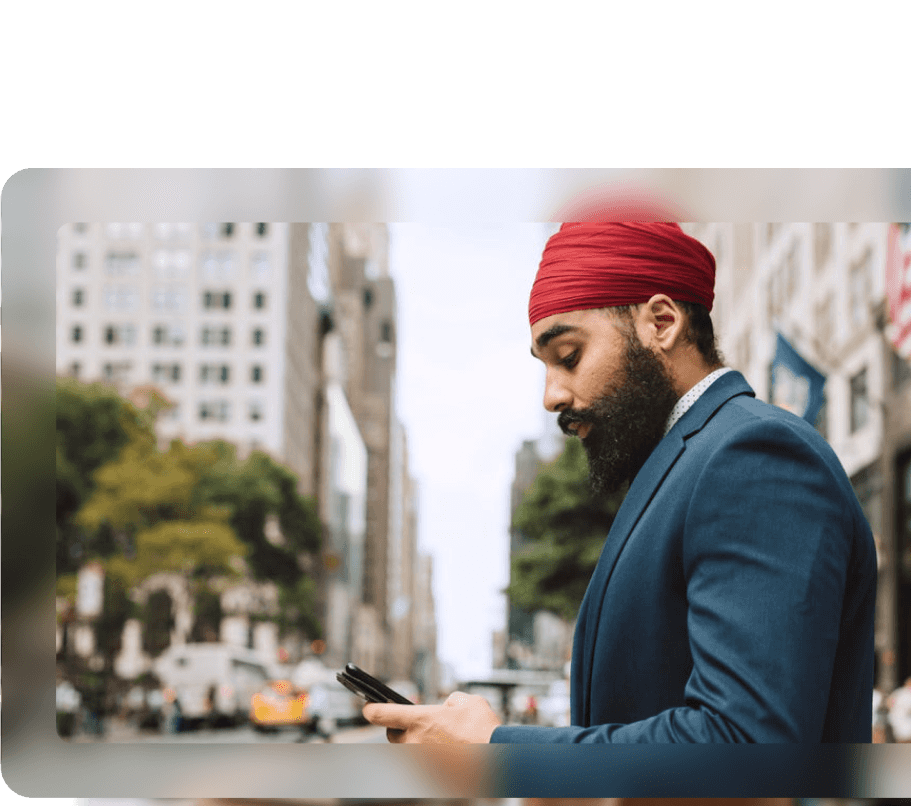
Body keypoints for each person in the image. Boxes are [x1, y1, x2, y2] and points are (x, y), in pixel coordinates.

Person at [363, 221, 877, 754]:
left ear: (661, 322)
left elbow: (741, 743)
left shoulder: (752, 457)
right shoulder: (685, 463)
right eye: (545, 367)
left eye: (568, 357)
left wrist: (497, 748)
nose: (552, 396)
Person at [887, 677, 911, 743]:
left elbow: (889, 702)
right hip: (909, 727)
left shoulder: (898, 692)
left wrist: (895, 711)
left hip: (898, 724)